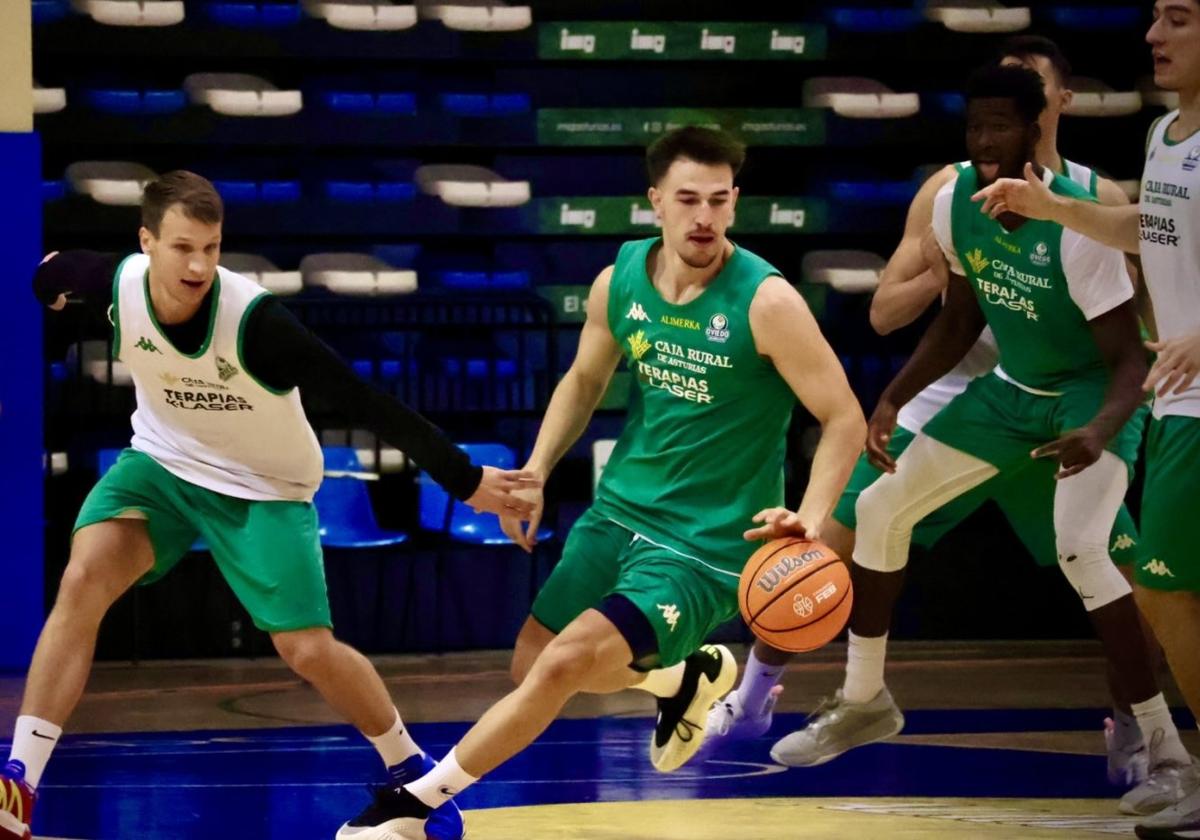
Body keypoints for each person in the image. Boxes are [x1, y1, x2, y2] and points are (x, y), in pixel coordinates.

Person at [332, 126, 866, 839]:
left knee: (566, 663)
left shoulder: (766, 302)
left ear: (735, 202)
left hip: (702, 546)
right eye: (687, 199)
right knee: (532, 665)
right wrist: (538, 471)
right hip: (618, 513)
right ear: (656, 203)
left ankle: (417, 805)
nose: (703, 216)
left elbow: (844, 418)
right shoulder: (621, 281)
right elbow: (585, 378)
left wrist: (810, 514)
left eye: (717, 200)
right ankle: (683, 680)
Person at [0, 171, 539, 840]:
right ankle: (18, 783)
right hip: (162, 466)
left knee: (307, 650)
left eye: (212, 247)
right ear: (148, 242)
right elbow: (49, 275)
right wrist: (52, 298)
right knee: (82, 581)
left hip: (263, 486)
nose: (198, 264)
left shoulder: (256, 323)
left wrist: (464, 479)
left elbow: (363, 400)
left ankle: (410, 770)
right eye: (182, 247)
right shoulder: (115, 285)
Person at [707, 34, 1154, 789]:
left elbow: (1131, 330)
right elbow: (889, 313)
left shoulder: (1099, 200)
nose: (996, 126)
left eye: (1024, 96)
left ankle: (1136, 732)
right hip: (969, 392)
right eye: (983, 113)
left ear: (1053, 105)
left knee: (1122, 573)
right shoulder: (948, 192)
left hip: (1068, 397)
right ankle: (762, 699)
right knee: (850, 529)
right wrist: (960, 264)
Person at [974, 4, 1200, 836]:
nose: (1152, 36)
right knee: (1167, 593)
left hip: (1197, 397)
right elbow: (1151, 230)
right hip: (1176, 400)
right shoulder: (1168, 135)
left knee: (1163, 589)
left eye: (1177, 18)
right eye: (1152, 18)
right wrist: (1055, 209)